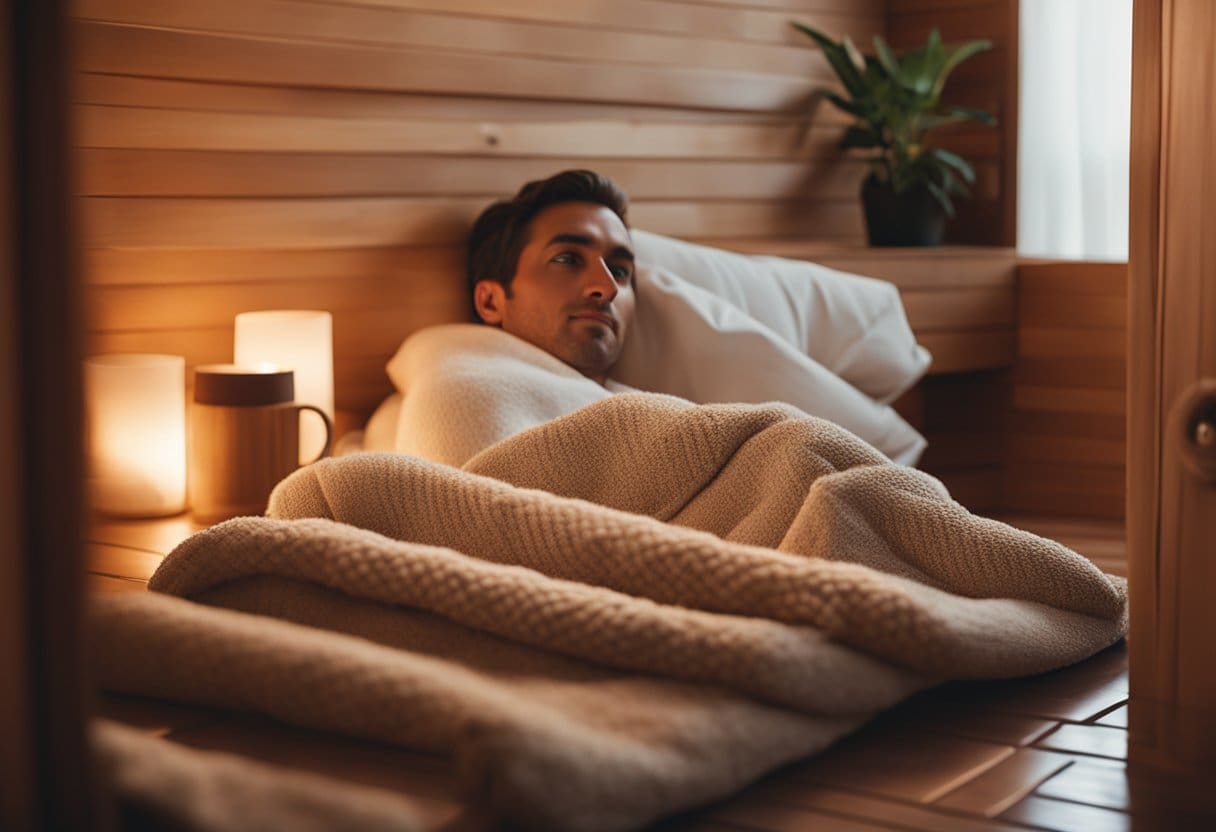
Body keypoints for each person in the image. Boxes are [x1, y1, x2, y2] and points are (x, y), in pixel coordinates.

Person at [466, 169, 636, 386]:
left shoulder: (661, 413)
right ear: (490, 302)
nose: (607, 287)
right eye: (567, 260)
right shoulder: (467, 400)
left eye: (619, 271)